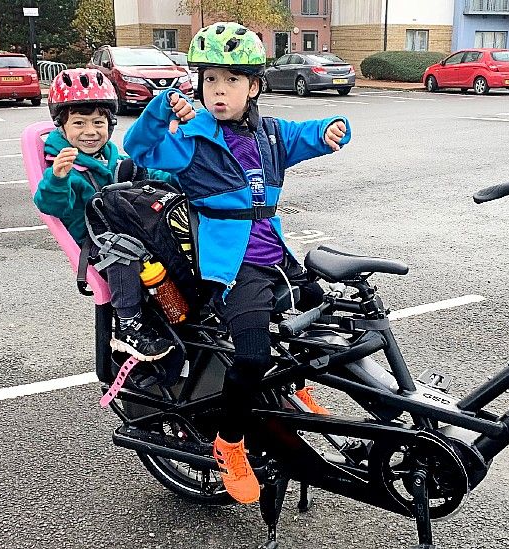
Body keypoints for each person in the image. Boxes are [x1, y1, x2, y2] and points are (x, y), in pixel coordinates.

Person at [123, 22, 351, 504]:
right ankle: (230, 442)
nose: (218, 90)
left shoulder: (270, 134)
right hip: (233, 267)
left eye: (231, 81)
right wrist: (161, 107)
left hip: (276, 256)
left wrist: (334, 128)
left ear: (254, 86)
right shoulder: (192, 137)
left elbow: (308, 133)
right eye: (210, 80)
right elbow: (140, 148)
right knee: (251, 354)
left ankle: (292, 390)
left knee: (320, 321)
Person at [34, 68, 175, 362]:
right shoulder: (64, 165)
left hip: (126, 225)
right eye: (79, 124)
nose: (90, 131)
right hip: (95, 240)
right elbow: (50, 205)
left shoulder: (112, 156)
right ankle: (129, 326)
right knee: (125, 250)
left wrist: (181, 178)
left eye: (98, 122)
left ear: (110, 125)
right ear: (62, 127)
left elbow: (145, 175)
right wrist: (57, 178)